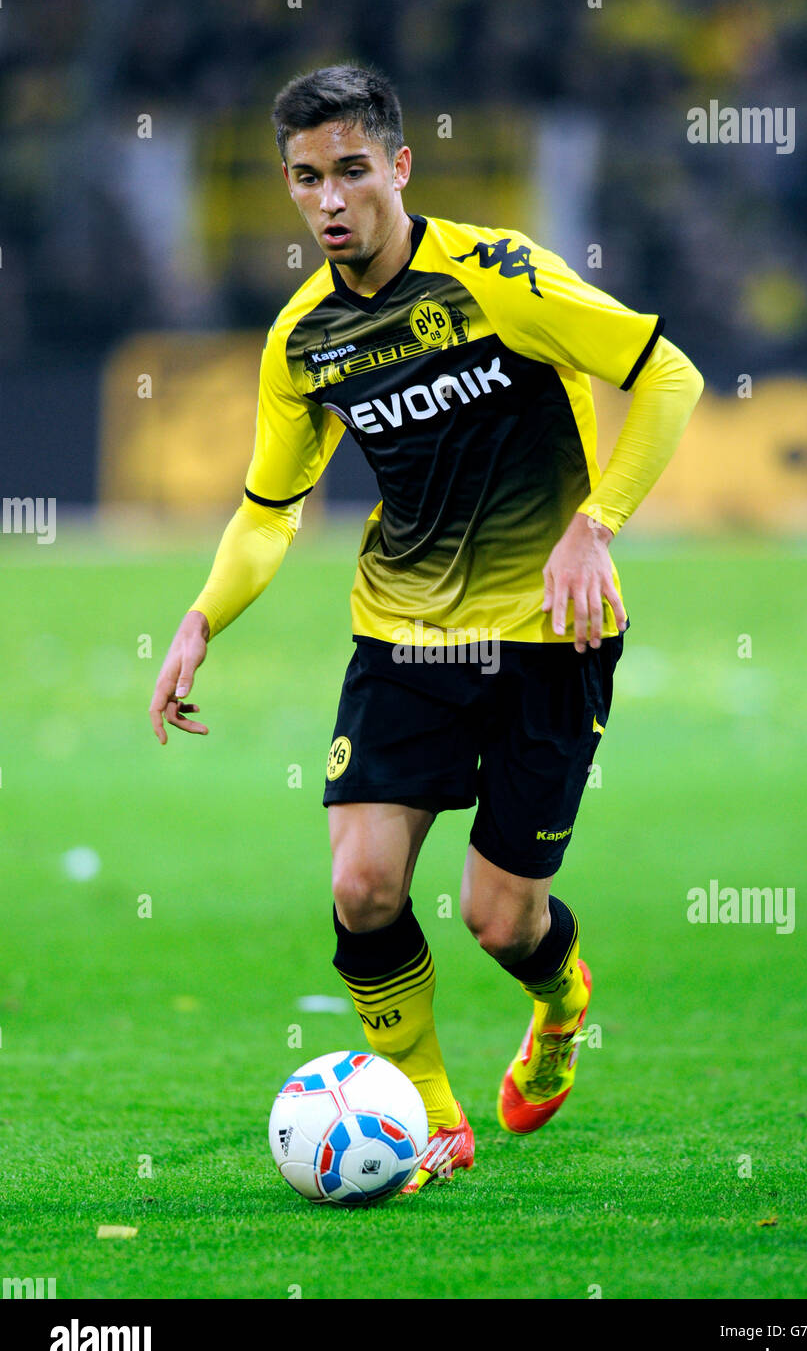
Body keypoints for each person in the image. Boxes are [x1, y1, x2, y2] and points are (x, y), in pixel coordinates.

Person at [149, 63, 703, 1193]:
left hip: (551, 631)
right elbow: (268, 510)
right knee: (361, 888)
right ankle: (434, 1118)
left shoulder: (497, 276)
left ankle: (560, 1006)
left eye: (351, 169)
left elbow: (668, 375)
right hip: (402, 634)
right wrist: (201, 621)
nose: (330, 198)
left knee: (498, 920)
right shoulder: (302, 340)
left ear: (399, 166)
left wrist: (593, 523)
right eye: (306, 178)